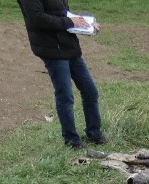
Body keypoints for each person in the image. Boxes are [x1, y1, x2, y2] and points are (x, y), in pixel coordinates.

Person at [16, 0, 105, 149]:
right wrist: (70, 22)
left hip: (69, 46)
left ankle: (94, 133)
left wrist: (88, 25)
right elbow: (37, 19)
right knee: (65, 96)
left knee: (90, 91)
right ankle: (71, 141)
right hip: (51, 49)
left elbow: (64, 14)